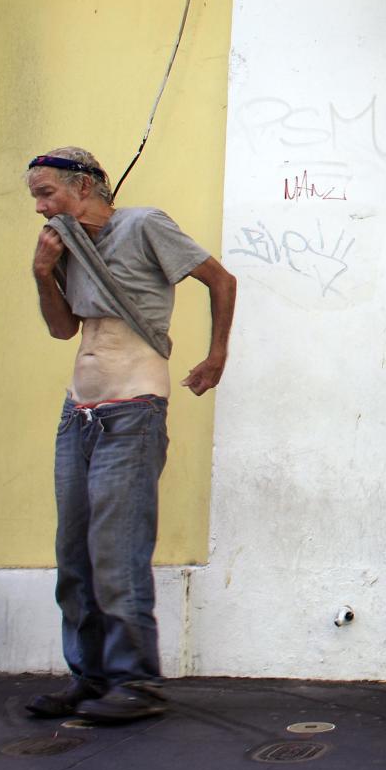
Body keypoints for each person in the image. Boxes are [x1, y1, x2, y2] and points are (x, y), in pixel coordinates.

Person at [21, 146, 236, 724]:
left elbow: (220, 279)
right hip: (79, 413)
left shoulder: (144, 224)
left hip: (133, 410)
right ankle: (89, 678)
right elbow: (63, 328)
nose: (41, 209)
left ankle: (136, 683)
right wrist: (44, 272)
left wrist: (216, 356)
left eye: (47, 194)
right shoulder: (67, 244)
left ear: (85, 186)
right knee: (75, 556)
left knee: (117, 553)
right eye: (36, 198)